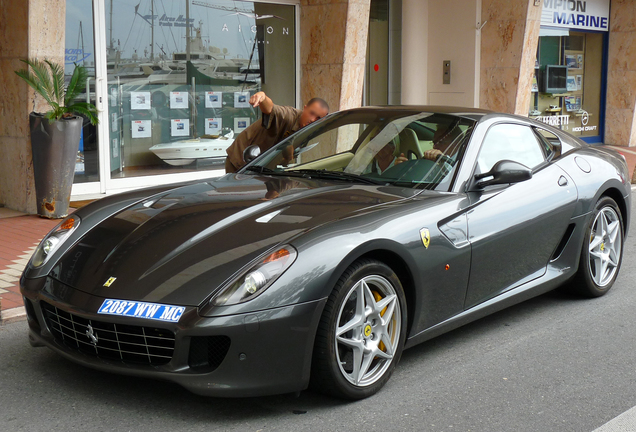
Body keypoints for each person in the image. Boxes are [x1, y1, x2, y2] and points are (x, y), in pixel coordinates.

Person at [225, 92, 329, 173]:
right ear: (305, 108)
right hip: (240, 160)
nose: (312, 119)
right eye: (311, 113)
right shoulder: (289, 116)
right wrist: (263, 96)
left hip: (264, 166)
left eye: (318, 118)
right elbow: (271, 109)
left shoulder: (309, 130)